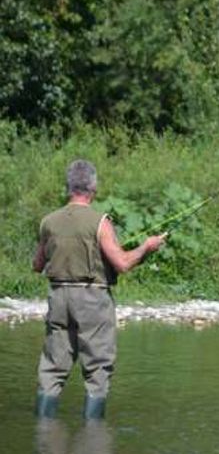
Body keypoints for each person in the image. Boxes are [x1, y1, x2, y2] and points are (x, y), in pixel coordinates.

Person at [32, 160, 166, 419]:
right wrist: (146, 247)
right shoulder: (100, 222)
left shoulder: (48, 222)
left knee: (52, 369)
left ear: (69, 187)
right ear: (93, 188)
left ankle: (44, 435)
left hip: (58, 297)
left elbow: (37, 265)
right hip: (92, 299)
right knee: (97, 369)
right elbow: (122, 264)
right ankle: (93, 438)